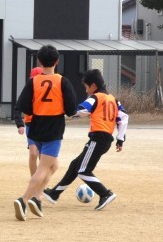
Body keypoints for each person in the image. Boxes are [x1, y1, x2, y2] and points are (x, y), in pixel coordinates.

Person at [43, 69, 129, 211]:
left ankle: (105, 194)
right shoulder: (114, 99)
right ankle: (54, 193)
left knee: (83, 170)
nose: (86, 91)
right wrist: (120, 139)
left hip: (97, 139)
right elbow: (124, 117)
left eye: (86, 87)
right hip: (105, 140)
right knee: (75, 165)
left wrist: (59, 115)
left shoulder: (95, 98)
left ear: (93, 85)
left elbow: (80, 110)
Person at [12, 45, 77, 220]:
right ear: (57, 61)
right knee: (43, 168)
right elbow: (71, 109)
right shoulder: (62, 81)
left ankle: (38, 195)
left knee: (54, 166)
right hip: (53, 128)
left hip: (35, 126)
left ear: (39, 62)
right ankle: (24, 199)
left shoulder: (33, 82)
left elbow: (24, 106)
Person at [15, 67, 44, 179]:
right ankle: (34, 179)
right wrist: (20, 124)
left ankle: (41, 180)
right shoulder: (28, 90)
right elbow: (18, 107)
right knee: (33, 153)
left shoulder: (47, 91)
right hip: (31, 124)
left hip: (44, 124)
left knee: (43, 155)